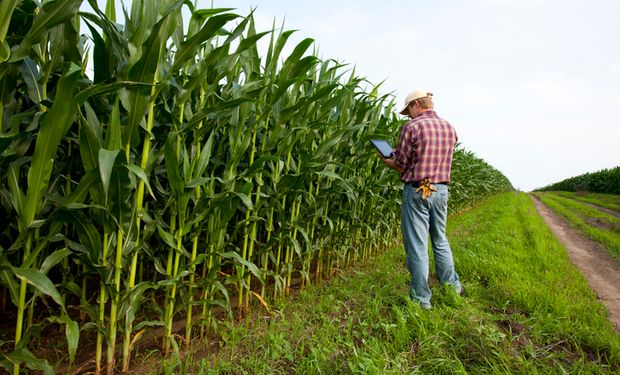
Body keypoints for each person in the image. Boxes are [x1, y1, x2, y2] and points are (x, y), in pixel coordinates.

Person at [379, 89, 462, 309]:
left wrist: (386, 158)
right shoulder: (449, 128)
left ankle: (421, 299)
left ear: (417, 104)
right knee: (440, 239)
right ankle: (452, 287)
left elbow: (401, 164)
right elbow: (430, 154)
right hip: (439, 190)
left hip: (417, 190)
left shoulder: (412, 127)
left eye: (409, 111)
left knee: (417, 246)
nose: (409, 116)